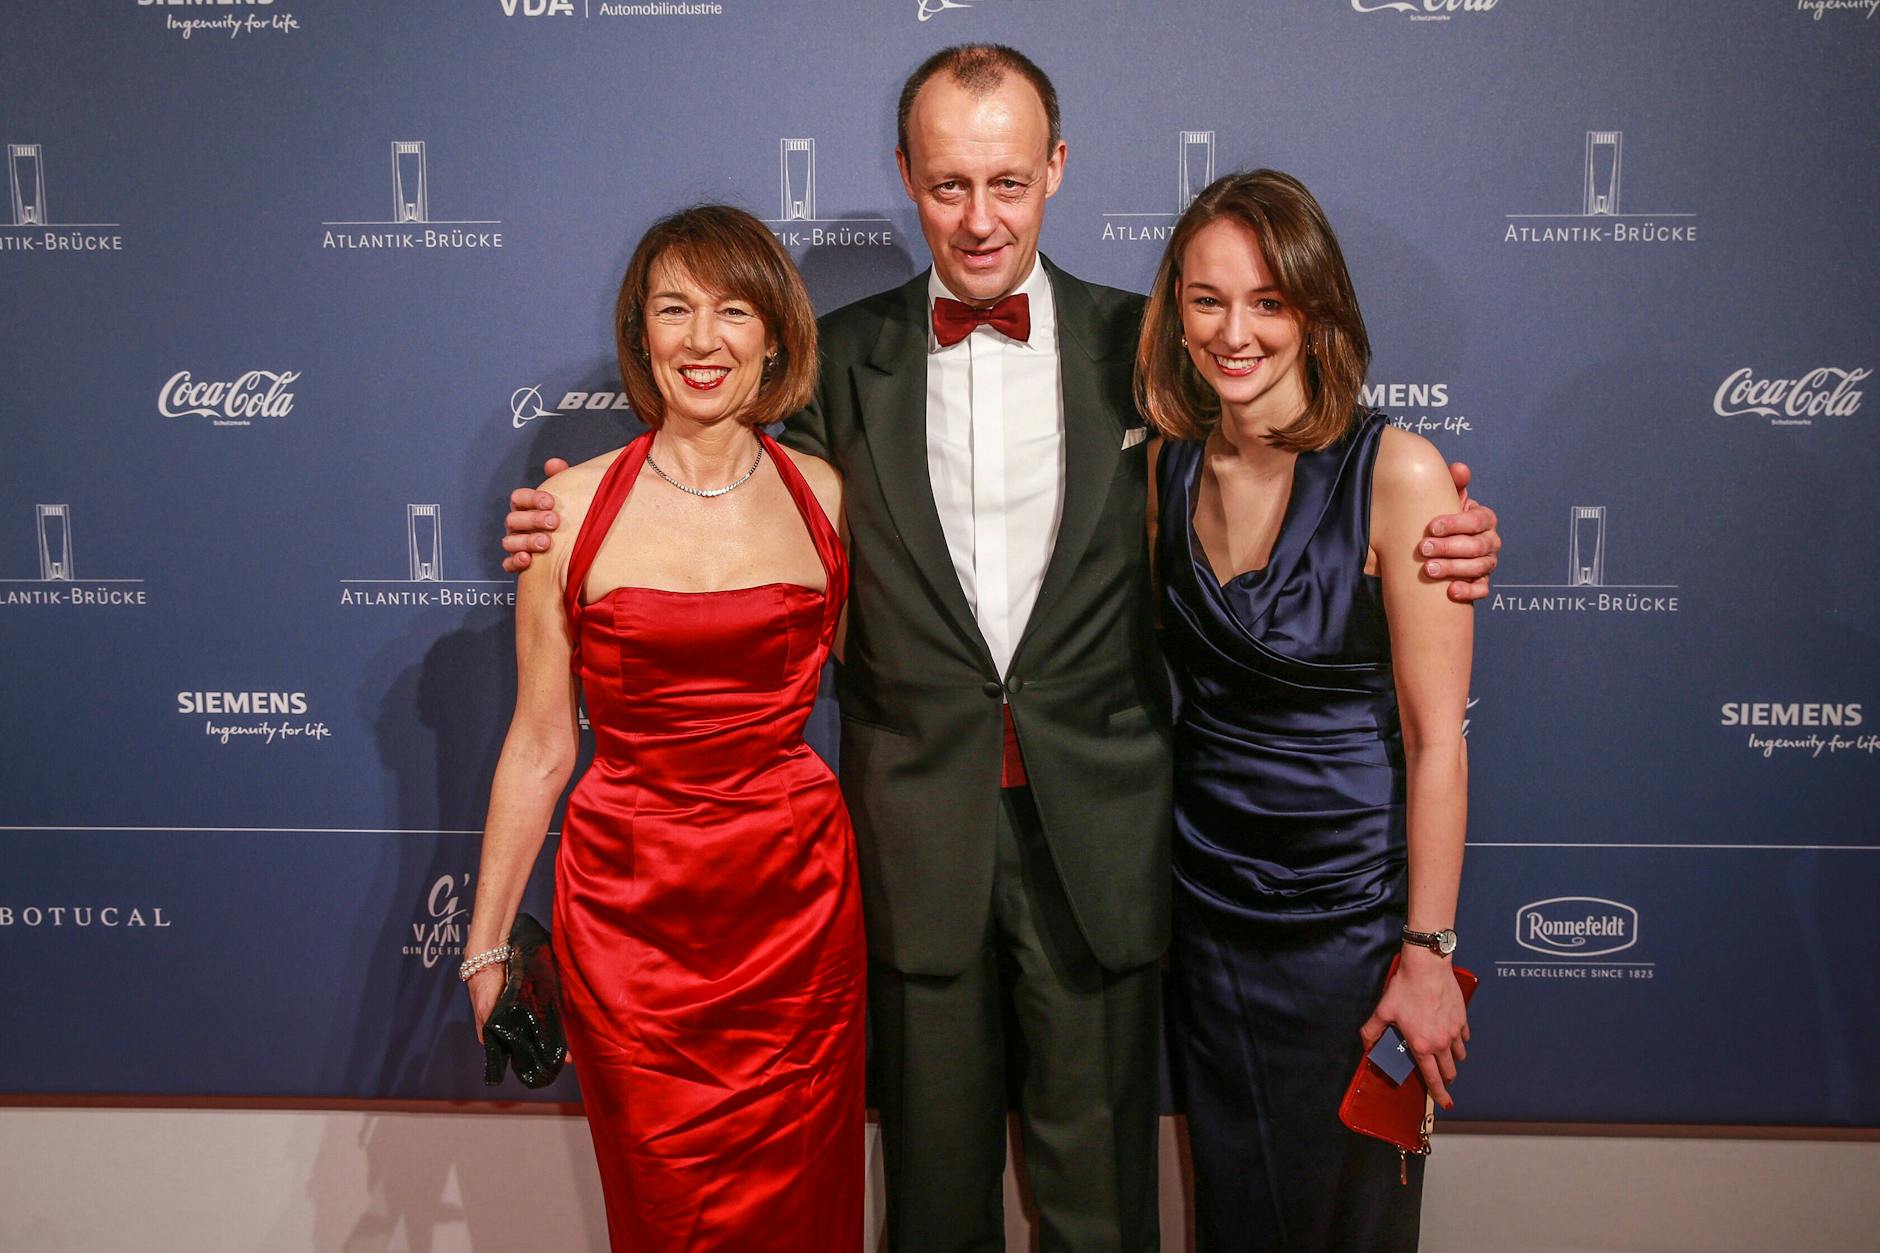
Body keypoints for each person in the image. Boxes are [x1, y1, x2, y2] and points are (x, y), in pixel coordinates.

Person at [501, 47, 1500, 1251]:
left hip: (1107, 845)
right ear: (905, 178)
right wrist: (564, 509)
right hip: (908, 841)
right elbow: (696, 471)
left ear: (1058, 171)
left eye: (1010, 183)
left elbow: (1295, 455)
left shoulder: (1155, 352)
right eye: (949, 185)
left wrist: (1443, 524)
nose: (980, 219)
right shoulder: (827, 369)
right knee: (932, 1204)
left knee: (1101, 1209)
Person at [461, 204, 864, 1252]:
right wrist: (485, 945)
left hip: (796, 913)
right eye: (673, 309)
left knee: (804, 1203)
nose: (702, 339)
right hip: (631, 921)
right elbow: (541, 741)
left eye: (733, 310)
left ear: (774, 333)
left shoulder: (821, 494)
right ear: (640, 334)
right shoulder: (569, 514)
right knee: (665, 1206)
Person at [1141, 169, 1472, 1251]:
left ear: (1314, 310)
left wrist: (1424, 951)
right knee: (1232, 1213)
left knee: (1350, 1220)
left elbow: (1434, 744)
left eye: (1267, 302)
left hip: (1350, 936)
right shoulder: (1163, 470)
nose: (1233, 332)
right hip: (1209, 920)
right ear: (1173, 310)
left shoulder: (1399, 473)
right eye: (1205, 299)